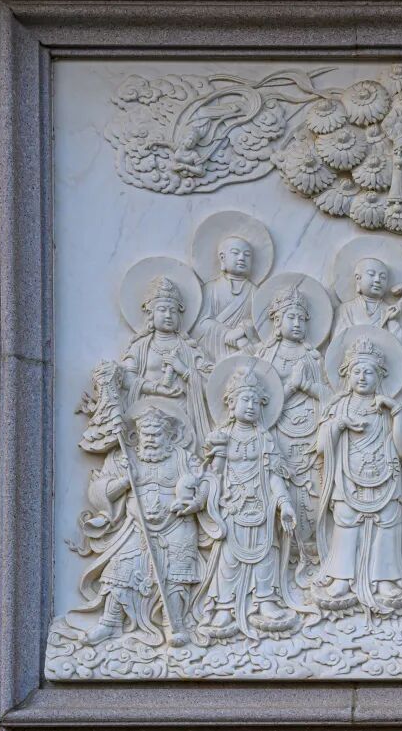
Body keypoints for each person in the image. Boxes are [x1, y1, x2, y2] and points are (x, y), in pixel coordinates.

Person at [71, 403, 216, 647]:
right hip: (137, 526)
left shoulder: (182, 458)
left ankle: (173, 623)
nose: (150, 439)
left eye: (156, 434)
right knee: (120, 569)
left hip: (177, 524)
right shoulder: (124, 458)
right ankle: (110, 622)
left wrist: (196, 502)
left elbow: (206, 480)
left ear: (169, 436)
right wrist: (124, 482)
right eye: (145, 434)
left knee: (177, 573)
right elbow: (98, 491)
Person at [197, 366, 300, 639]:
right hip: (233, 505)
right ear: (231, 403)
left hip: (262, 506)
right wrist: (216, 459)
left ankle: (265, 600)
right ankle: (224, 606)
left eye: (256, 401)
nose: (251, 406)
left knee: (266, 555)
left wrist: (285, 504)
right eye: (245, 399)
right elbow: (213, 475)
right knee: (229, 558)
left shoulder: (265, 438)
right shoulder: (222, 436)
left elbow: (275, 475)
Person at [313, 336, 402, 613]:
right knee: (346, 522)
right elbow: (321, 447)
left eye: (369, 372)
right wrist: (340, 425)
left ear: (380, 376)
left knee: (387, 521)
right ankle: (341, 577)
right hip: (349, 478)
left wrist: (396, 412)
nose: (362, 377)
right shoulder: (339, 407)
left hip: (385, 477)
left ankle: (385, 579)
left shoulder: (388, 408)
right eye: (357, 371)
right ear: (346, 375)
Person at [254, 284, 329, 558]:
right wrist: (291, 386)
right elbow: (261, 404)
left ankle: (312, 542)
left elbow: (330, 396)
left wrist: (307, 386)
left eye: (301, 318)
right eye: (291, 317)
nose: (297, 323)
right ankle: (285, 543)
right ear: (277, 321)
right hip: (279, 431)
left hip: (311, 429)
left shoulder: (313, 356)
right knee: (283, 480)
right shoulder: (265, 357)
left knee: (312, 486)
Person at [120, 276, 211, 451]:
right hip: (148, 419)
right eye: (162, 310)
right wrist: (156, 389)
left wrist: (183, 370)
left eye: (173, 311)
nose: (168, 315)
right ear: (151, 314)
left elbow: (208, 387)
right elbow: (126, 379)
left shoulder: (189, 349)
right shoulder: (140, 346)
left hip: (183, 418)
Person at [194, 235, 261, 361]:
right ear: (222, 258)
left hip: (245, 353)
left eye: (247, 255)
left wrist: (244, 329)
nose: (242, 258)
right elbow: (200, 325)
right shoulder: (210, 289)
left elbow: (262, 323)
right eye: (235, 253)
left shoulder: (255, 292)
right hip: (214, 351)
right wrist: (231, 336)